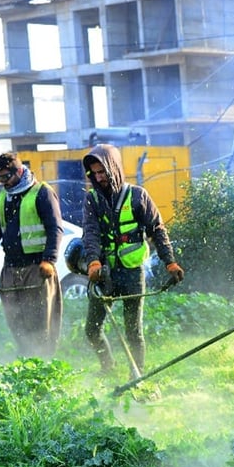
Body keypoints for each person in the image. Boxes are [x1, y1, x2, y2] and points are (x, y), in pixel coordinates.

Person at [81, 143, 184, 375]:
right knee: (92, 330)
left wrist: (170, 262)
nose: (99, 177)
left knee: (133, 331)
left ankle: (137, 376)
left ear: (113, 169)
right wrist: (93, 262)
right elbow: (90, 232)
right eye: (95, 173)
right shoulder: (92, 199)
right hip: (104, 272)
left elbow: (157, 229)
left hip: (131, 273)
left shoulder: (138, 196)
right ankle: (107, 367)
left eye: (103, 172)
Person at [0, 152, 64, 356]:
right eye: (0, 179)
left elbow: (55, 228)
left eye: (6, 177)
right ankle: (25, 361)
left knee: (40, 322)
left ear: (19, 171)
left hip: (38, 270)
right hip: (11, 269)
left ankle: (44, 362)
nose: (3, 183)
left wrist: (49, 260)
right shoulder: (4, 196)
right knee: (17, 322)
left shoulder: (42, 193)